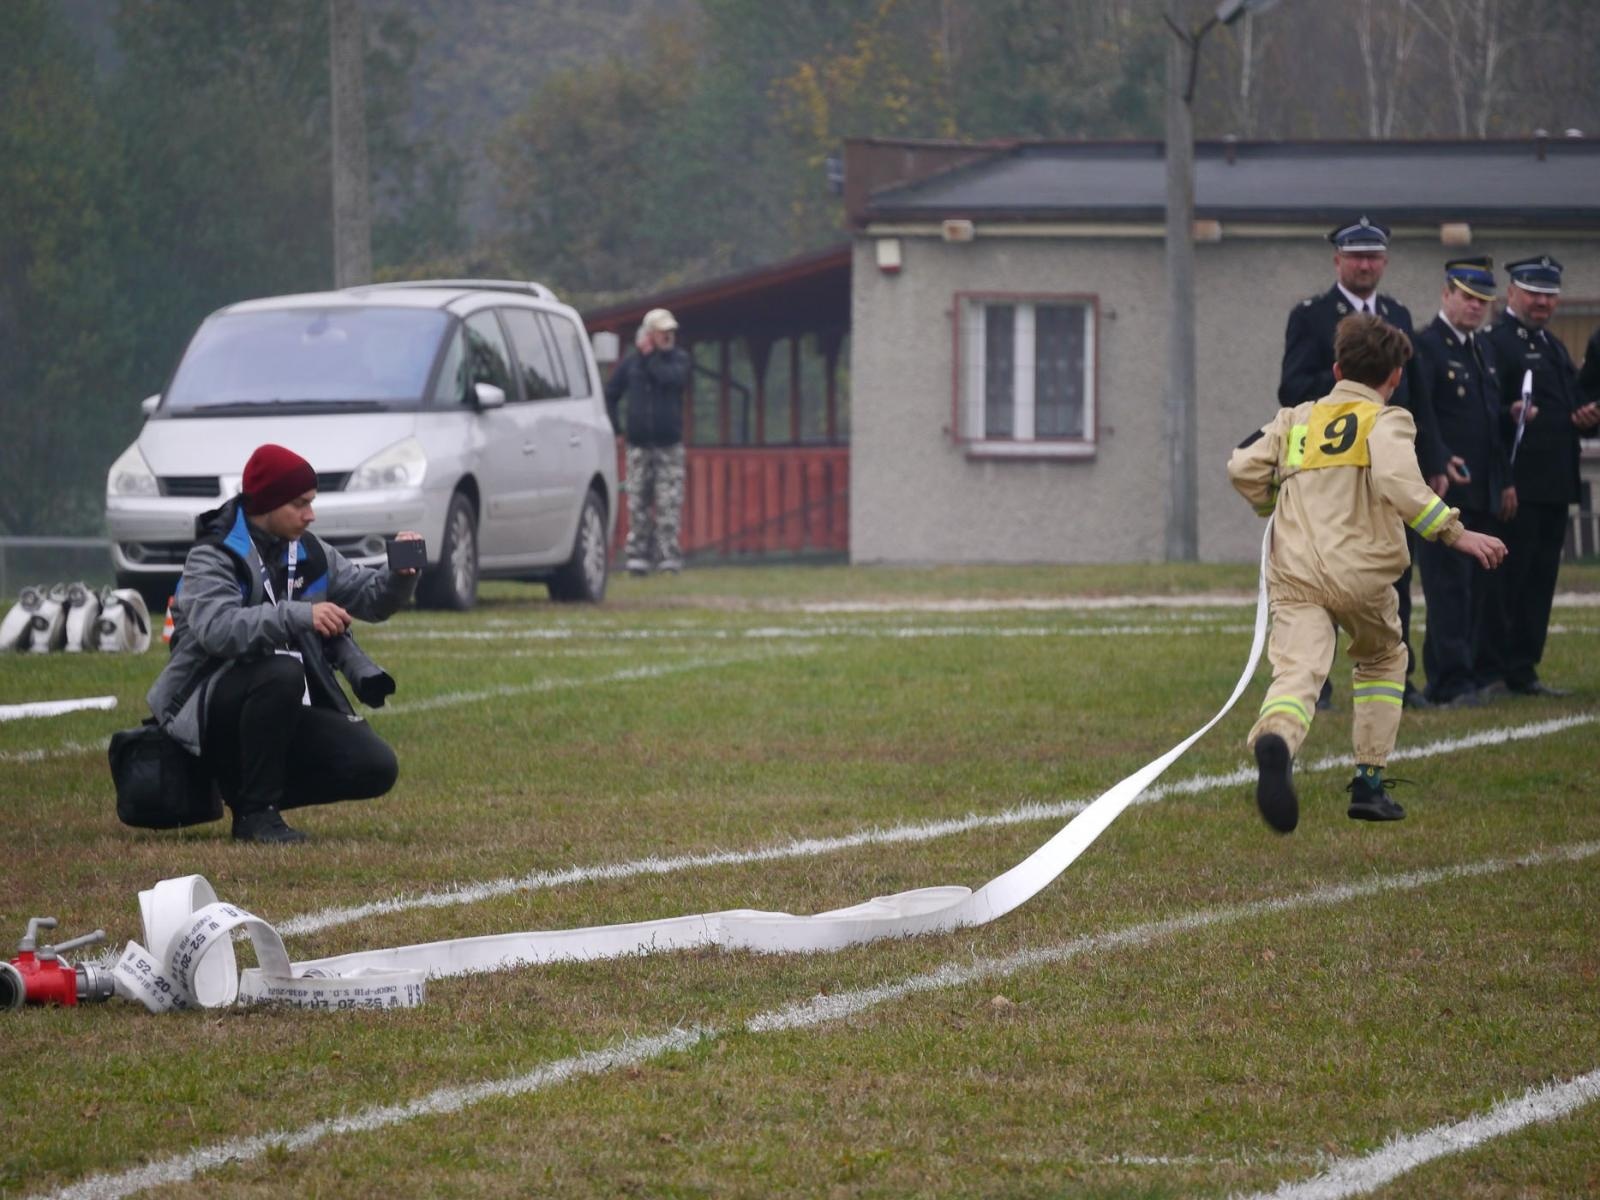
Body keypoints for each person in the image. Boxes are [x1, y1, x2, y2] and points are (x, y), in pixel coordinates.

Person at [1231, 315, 1507, 834]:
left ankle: (1278, 740)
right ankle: (1369, 782)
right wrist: (1456, 533)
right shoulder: (1387, 420)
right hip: (1361, 574)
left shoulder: (1298, 418)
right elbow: (1401, 483)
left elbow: (1243, 467)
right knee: (1382, 659)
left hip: (1294, 576)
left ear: (1336, 368)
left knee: (1298, 673)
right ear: (1395, 377)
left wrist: (1271, 501)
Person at [146, 443, 420, 843]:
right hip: (205, 703)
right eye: (299, 504)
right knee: (281, 673)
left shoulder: (307, 549)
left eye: (311, 502)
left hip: (277, 703)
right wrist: (300, 614)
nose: (310, 514)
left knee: (374, 765)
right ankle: (255, 815)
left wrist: (400, 576)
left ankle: (246, 790)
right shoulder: (214, 554)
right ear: (267, 503)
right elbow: (217, 630)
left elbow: (370, 599)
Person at [1278, 216, 1444, 711]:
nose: (1366, 265)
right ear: (1338, 261)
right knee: (1323, 569)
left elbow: (1416, 396)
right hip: (1334, 466)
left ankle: (1400, 675)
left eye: (1374, 257)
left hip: (1387, 464)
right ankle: (1318, 682)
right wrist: (1352, 396)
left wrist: (1431, 460)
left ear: (1385, 262)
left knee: (1395, 567)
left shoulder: (1396, 312)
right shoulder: (1310, 316)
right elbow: (1291, 388)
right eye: (1357, 257)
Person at [1480, 256, 1600, 697]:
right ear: (1511, 293)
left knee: (1538, 583)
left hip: (1555, 483)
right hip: (1518, 485)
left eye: (1550, 294)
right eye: (1533, 292)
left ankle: (1523, 668)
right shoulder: (1496, 342)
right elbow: (1487, 414)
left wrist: (1586, 417)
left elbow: (1567, 407)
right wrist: (1503, 479)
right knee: (1506, 582)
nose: (1542, 302)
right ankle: (1491, 669)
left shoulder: (1551, 345)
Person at [1411, 257, 1516, 707]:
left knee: (1476, 589)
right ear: (1446, 294)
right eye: (1467, 298)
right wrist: (1435, 460)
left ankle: (1469, 671)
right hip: (1444, 489)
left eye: (1482, 302)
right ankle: (1448, 679)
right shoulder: (1426, 345)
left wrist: (1505, 480)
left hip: (1482, 488)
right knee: (1448, 588)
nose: (1474, 308)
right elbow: (1421, 411)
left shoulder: (1483, 349)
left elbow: (1492, 423)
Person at [604, 307, 692, 576]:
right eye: (662, 331)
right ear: (649, 333)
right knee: (638, 501)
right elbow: (611, 394)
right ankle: (639, 556)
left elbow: (671, 380)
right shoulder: (631, 365)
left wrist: (651, 357)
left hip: (669, 446)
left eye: (670, 331)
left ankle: (668, 557)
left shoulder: (679, 360)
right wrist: (616, 429)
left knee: (669, 502)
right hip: (638, 446)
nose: (668, 335)